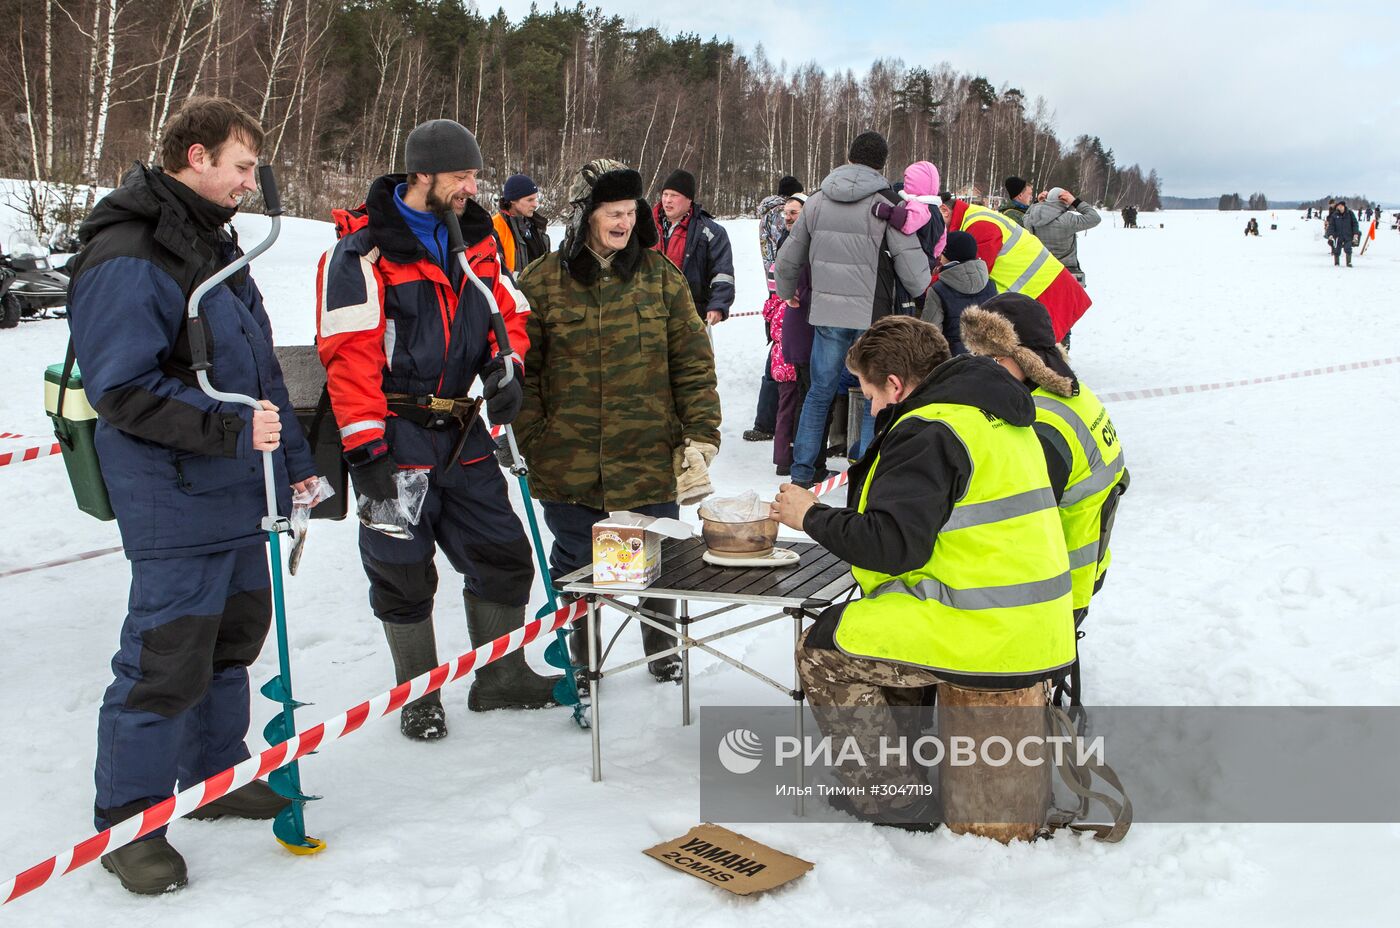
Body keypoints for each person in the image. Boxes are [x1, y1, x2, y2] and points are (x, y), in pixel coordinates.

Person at [66, 96, 317, 894]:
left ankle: (216, 773)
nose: (251, 181)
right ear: (197, 156)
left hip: (237, 487)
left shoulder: (211, 241)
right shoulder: (132, 249)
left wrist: (297, 459)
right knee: (166, 656)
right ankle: (130, 822)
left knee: (232, 639)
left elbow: (260, 373)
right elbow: (123, 389)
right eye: (242, 166)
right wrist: (229, 432)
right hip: (174, 493)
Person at [770, 314, 1076, 827]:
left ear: (895, 383)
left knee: (821, 649)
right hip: (1035, 621)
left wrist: (811, 516)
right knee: (879, 620)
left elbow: (894, 545)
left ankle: (892, 799)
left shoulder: (930, 429)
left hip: (989, 631)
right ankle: (906, 765)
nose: (870, 406)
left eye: (869, 394)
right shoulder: (988, 412)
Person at [317, 118, 558, 744]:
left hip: (461, 428)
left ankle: (500, 676)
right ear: (422, 175)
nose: (470, 187)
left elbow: (509, 313)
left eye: (474, 175)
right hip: (395, 432)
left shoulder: (475, 241)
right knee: (401, 567)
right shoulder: (361, 252)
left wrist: (508, 368)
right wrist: (363, 446)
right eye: (459, 176)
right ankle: (417, 694)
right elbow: (348, 353)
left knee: (503, 553)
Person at [516, 159, 721, 684]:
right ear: (588, 214)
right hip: (569, 461)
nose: (623, 222)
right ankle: (582, 661)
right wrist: (533, 437)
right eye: (613, 212)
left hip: (648, 454)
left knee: (657, 562)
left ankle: (662, 653)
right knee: (577, 568)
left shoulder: (662, 279)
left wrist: (702, 435)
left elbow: (693, 364)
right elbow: (525, 373)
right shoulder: (540, 282)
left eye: (630, 212)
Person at [960, 294, 1128, 707]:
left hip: (1050, 587)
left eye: (994, 358)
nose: (987, 368)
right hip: (1084, 567)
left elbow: (1014, 523)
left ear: (1025, 356)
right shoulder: (1071, 394)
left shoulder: (1044, 425)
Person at [773, 130, 932, 488]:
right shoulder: (886, 202)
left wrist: (787, 292)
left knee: (819, 392)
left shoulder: (816, 200)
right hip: (871, 317)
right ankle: (863, 471)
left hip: (827, 314)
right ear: (881, 164)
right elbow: (910, 263)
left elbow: (788, 256)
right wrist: (925, 289)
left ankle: (801, 475)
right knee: (873, 392)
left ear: (849, 157)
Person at [940, 192, 1091, 341]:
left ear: (944, 210)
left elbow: (969, 277)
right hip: (1041, 294)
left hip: (1046, 295)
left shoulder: (979, 225)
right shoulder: (974, 216)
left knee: (1042, 358)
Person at [747, 175, 804, 443]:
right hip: (783, 288)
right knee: (780, 357)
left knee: (777, 351)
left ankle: (767, 420)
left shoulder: (765, 214)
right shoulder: (783, 216)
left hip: (772, 286)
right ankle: (769, 421)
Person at [652, 168, 736, 325]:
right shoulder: (645, 227)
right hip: (650, 313)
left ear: (688, 200)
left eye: (674, 195)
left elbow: (722, 273)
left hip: (691, 316)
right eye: (665, 194)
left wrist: (718, 305)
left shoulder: (711, 232)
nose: (667, 200)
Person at [921, 230, 996, 355]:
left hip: (953, 362)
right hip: (987, 358)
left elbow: (930, 336)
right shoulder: (991, 285)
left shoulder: (938, 290)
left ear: (949, 256)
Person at [1023, 187, 1102, 288]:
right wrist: (1075, 202)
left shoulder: (1032, 219)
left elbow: (1025, 216)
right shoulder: (1068, 219)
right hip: (1066, 272)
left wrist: (1036, 203)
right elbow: (1095, 218)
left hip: (1041, 270)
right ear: (1064, 201)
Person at [492, 172, 551, 274]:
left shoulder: (536, 225)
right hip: (513, 289)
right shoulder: (494, 227)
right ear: (513, 200)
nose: (535, 204)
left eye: (536, 199)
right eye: (530, 200)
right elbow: (496, 272)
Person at [1327, 200, 1359, 266]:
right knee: (1336, 249)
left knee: (1348, 248)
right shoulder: (1334, 215)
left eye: (1341, 206)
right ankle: (1336, 263)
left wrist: (1355, 233)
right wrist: (1330, 234)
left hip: (1348, 235)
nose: (1340, 208)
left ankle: (1349, 262)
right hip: (1338, 235)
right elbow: (1331, 226)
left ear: (1344, 206)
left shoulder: (1350, 213)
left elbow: (1355, 223)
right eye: (1339, 206)